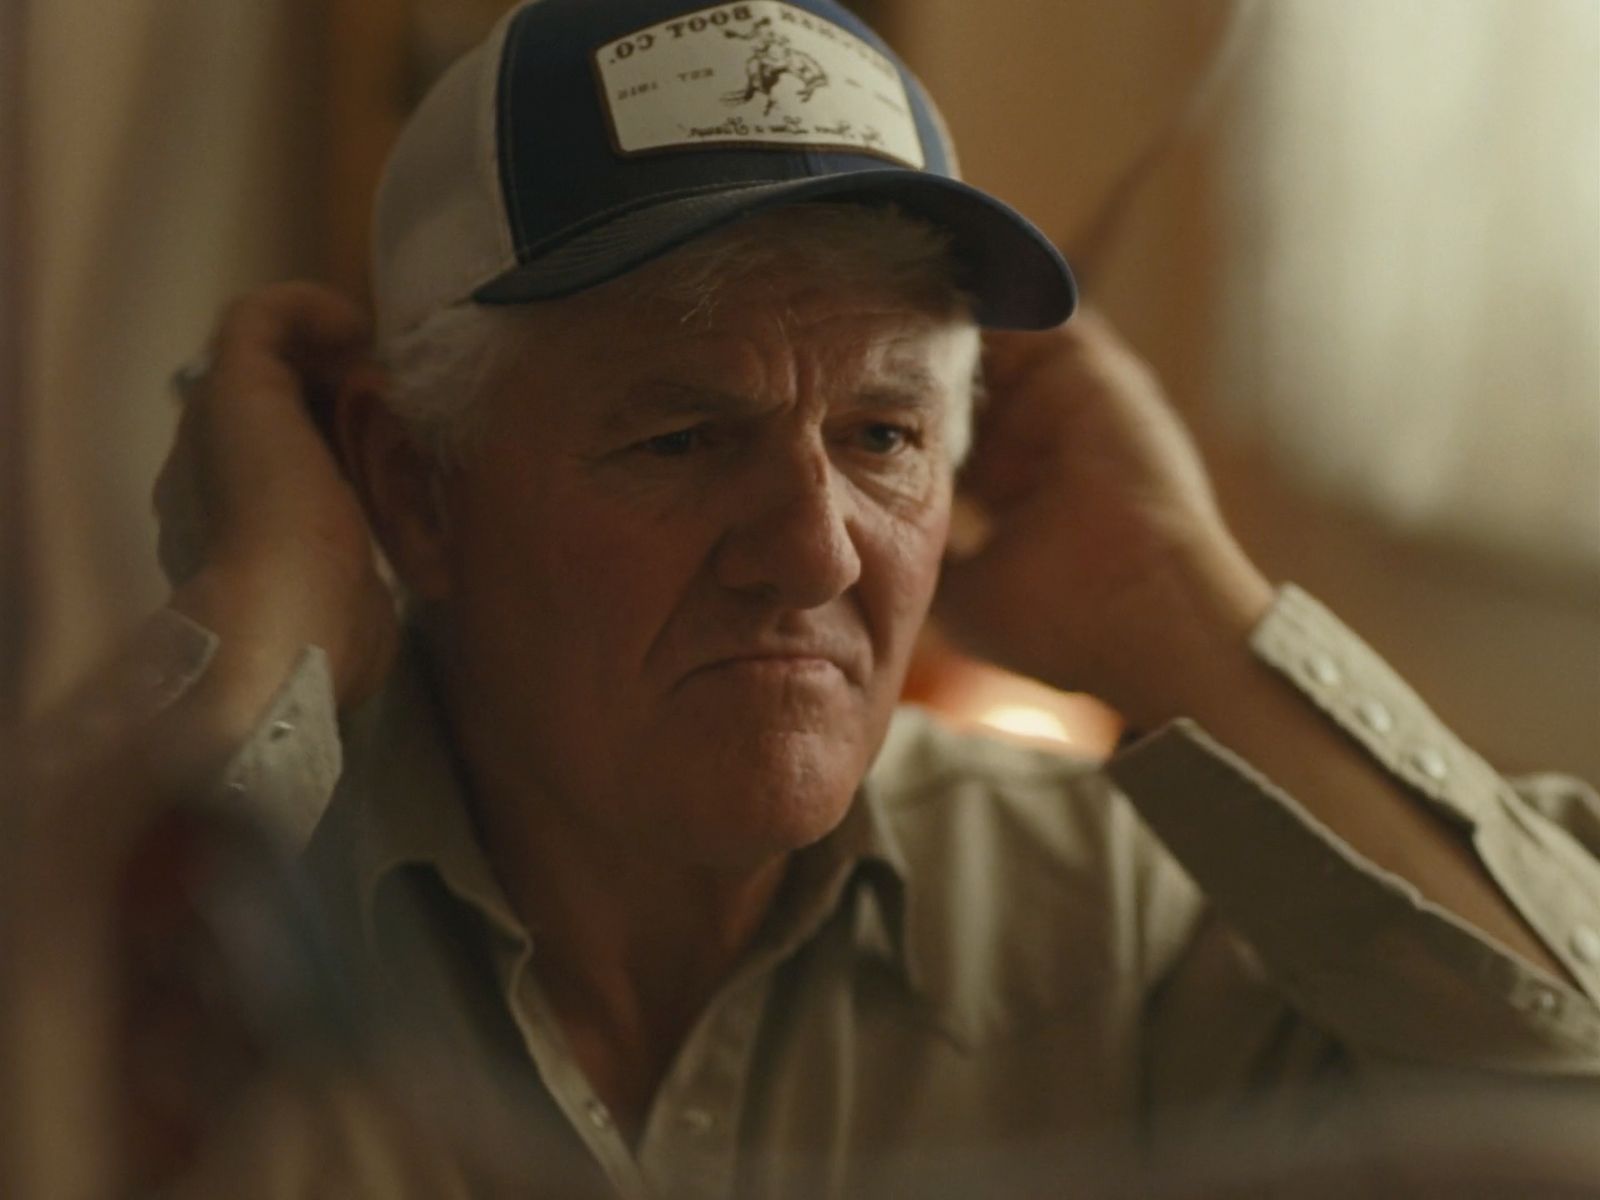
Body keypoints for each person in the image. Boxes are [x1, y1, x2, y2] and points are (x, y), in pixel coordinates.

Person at [8, 0, 1599, 1195]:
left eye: (885, 436)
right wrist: (264, 629)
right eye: (684, 434)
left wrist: (1179, 606)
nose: (821, 551)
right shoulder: (247, 898)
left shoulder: (1087, 909)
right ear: (419, 486)